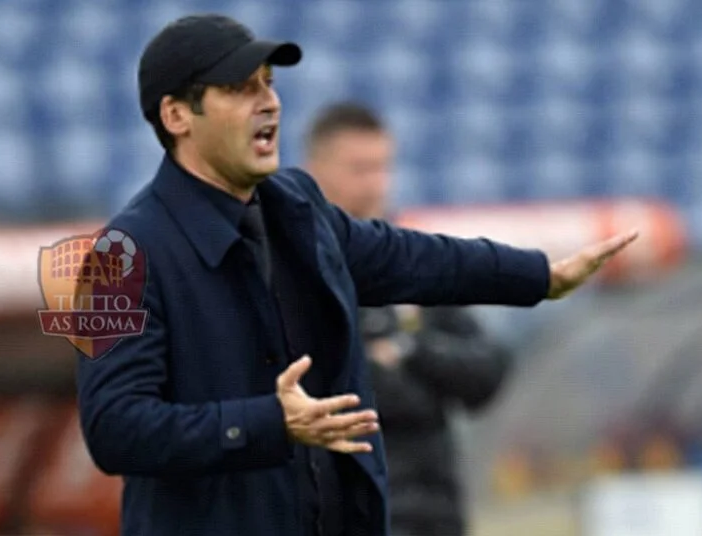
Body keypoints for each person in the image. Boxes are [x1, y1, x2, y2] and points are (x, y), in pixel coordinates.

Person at [75, 13, 638, 536]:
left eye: (269, 83)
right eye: (240, 88)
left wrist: (538, 277)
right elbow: (115, 429)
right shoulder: (115, 258)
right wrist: (269, 421)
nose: (268, 102)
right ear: (177, 115)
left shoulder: (295, 206)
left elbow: (410, 258)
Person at [304, 101, 516, 536]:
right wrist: (423, 384)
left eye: (383, 167)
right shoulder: (297, 268)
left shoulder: (414, 259)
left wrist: (411, 350)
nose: (376, 183)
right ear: (316, 170)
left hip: (437, 508)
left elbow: (488, 371)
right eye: (359, 169)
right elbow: (339, 387)